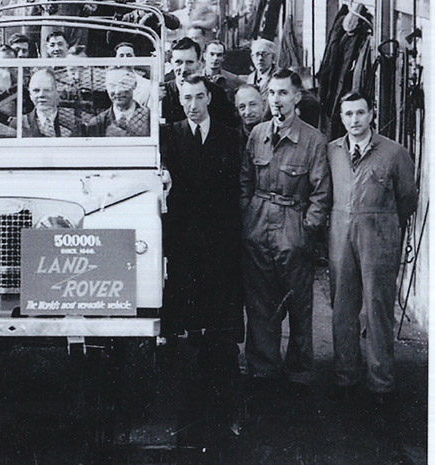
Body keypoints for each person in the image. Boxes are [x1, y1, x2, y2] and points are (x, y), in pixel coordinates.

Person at [159, 74, 245, 441]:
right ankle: (189, 413)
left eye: (198, 97)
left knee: (220, 324)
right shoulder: (170, 136)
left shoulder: (229, 135)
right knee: (188, 326)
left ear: (209, 97)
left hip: (220, 242)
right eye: (186, 98)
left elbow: (236, 189)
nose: (192, 105)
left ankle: (224, 408)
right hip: (183, 243)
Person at [240, 68, 330, 389]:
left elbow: (321, 193)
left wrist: (307, 230)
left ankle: (299, 369)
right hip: (258, 224)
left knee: (299, 303)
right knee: (261, 302)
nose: (276, 100)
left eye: (283, 93)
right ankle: (263, 368)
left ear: (297, 97)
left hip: (294, 224)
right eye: (272, 93)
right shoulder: (257, 134)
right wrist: (248, 218)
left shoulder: (313, 140)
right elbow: (245, 181)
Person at [327, 91, 417, 405]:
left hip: (379, 236)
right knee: (343, 308)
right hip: (341, 233)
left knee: (378, 309)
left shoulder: (394, 152)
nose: (355, 120)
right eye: (348, 114)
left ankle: (381, 383)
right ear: (341, 117)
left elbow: (407, 198)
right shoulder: (333, 151)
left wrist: (385, 225)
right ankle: (346, 376)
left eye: (360, 113)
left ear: (372, 114)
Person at [162, 38, 240, 128]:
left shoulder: (217, 93)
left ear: (199, 64)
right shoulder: (162, 95)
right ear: (171, 63)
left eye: (189, 62)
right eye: (178, 62)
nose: (184, 69)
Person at [109, 0, 181, 57]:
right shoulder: (129, 17)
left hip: (153, 59)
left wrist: (156, 13)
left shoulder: (158, 15)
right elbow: (111, 40)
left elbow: (175, 24)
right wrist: (118, 15)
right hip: (132, 57)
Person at [85, 68, 151, 137]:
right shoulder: (97, 123)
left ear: (134, 85)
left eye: (123, 84)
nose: (117, 91)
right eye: (112, 86)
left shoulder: (150, 119)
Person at [21, 69, 76, 137]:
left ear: (57, 92)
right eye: (36, 90)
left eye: (47, 90)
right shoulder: (19, 124)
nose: (41, 95)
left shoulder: (75, 123)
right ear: (30, 95)